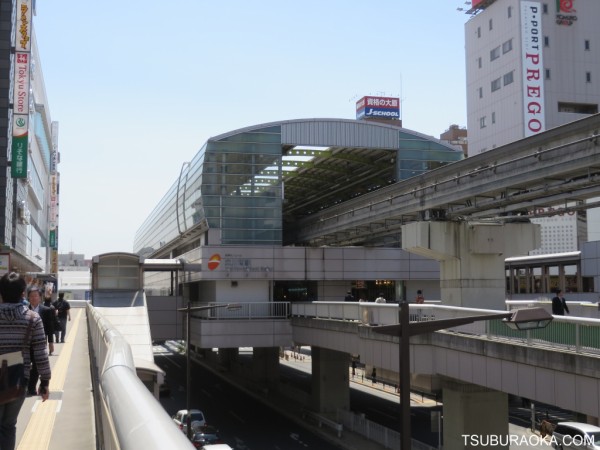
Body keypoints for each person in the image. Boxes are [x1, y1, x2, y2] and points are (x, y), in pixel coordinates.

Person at [0, 272, 50, 450]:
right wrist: (44, 382)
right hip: (19, 378)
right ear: (23, 293)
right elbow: (40, 353)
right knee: (8, 426)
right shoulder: (32, 318)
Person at [27, 286, 56, 395]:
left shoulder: (46, 310)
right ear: (28, 297)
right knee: (25, 365)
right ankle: (27, 385)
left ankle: (31, 388)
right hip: (25, 344)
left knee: (36, 366)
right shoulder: (24, 309)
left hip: (39, 343)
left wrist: (51, 342)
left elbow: (50, 327)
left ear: (40, 297)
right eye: (31, 296)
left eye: (36, 296)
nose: (33, 298)